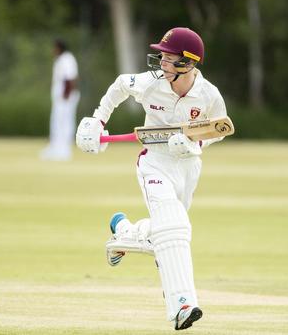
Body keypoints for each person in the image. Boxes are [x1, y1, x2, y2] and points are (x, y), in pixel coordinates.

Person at [75, 27, 229, 330]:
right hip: (154, 163)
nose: (161, 63)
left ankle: (123, 233)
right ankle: (182, 306)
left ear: (188, 63)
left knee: (164, 232)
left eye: (168, 58)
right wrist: (98, 119)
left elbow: (219, 129)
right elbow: (120, 86)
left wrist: (195, 143)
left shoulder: (209, 94)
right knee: (175, 227)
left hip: (187, 167)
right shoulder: (151, 83)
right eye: (161, 56)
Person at [40, 39, 80, 161]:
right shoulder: (60, 60)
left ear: (60, 48)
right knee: (56, 122)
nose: (53, 50)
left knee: (65, 122)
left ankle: (64, 150)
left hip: (66, 97)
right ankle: (55, 147)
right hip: (60, 98)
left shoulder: (67, 59)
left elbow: (70, 78)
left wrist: (66, 96)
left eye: (55, 48)